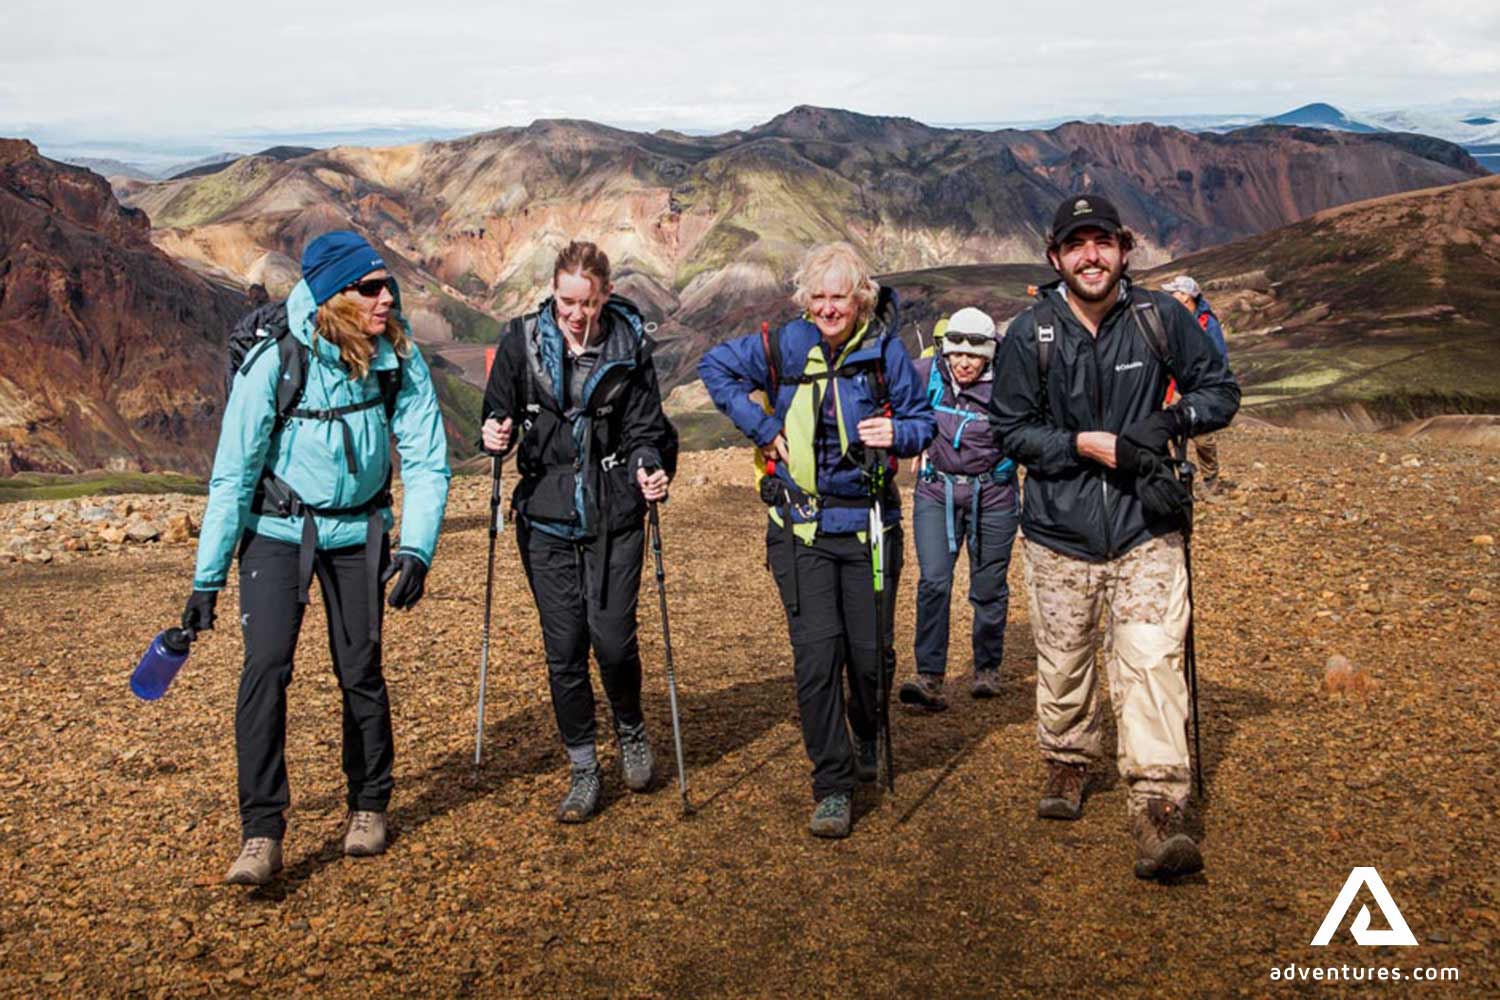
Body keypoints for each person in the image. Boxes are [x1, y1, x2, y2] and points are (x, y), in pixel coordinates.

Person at [182, 230, 452, 885]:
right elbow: (234, 472)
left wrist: (417, 545)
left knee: (360, 669)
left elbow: (425, 454)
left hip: (361, 535)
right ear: (335, 295)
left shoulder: (398, 352)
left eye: (388, 285)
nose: (387, 297)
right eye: (371, 288)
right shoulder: (277, 360)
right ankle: (261, 832)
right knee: (266, 670)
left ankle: (368, 804)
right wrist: (206, 578)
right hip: (277, 534)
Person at [989, 195, 1240, 880]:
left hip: (1146, 527)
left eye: (1102, 242)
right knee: (1065, 662)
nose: (1090, 256)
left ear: (1125, 250)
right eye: (1076, 245)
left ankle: (1158, 810)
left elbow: (1219, 391)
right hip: (1056, 533)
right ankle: (1068, 760)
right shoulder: (1028, 334)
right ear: (1055, 258)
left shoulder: (1161, 321)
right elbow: (1010, 431)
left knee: (1153, 661)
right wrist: (1082, 445)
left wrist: (1168, 422)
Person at [700, 242, 935, 839]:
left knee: (869, 655)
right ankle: (831, 784)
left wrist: (898, 433)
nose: (830, 308)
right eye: (820, 297)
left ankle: (865, 733)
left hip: (870, 527)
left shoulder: (886, 354)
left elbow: (922, 423)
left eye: (841, 297)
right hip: (799, 528)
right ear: (807, 300)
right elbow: (715, 368)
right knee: (816, 658)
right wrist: (762, 424)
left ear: (862, 298)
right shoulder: (784, 346)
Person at [480, 241, 677, 824]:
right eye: (566, 300)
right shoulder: (520, 341)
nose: (575, 313)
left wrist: (649, 465)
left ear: (606, 296)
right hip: (543, 514)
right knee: (564, 647)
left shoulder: (629, 346)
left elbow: (647, 427)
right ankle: (584, 766)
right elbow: (498, 411)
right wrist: (495, 432)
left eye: (587, 302)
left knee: (612, 638)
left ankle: (631, 725)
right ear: (554, 293)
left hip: (614, 511)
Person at [899, 307, 1019, 712]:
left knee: (987, 588)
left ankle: (987, 668)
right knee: (933, 581)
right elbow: (885, 392)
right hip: (937, 491)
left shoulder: (1010, 382)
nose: (964, 362)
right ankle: (929, 676)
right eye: (956, 353)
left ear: (988, 354)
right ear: (945, 350)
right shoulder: (926, 373)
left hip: (994, 494)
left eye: (973, 354)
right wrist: (910, 433)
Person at [1161, 275, 1229, 493]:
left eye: (1174, 292)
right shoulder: (1172, 318)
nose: (1170, 296)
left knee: (1201, 438)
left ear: (1185, 296)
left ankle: (1210, 481)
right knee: (1166, 431)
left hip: (1198, 387)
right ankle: (1172, 481)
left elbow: (1219, 357)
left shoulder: (1208, 324)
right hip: (1173, 387)